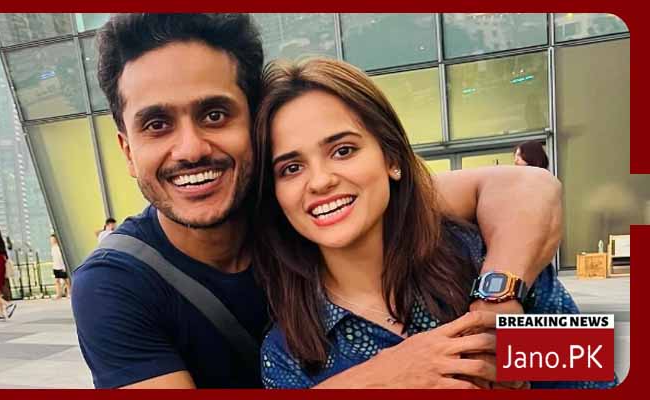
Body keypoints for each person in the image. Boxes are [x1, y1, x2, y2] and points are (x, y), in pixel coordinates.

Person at [72, 13, 563, 389]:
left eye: (215, 114)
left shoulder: (471, 257)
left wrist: (499, 296)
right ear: (127, 150)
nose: (190, 148)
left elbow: (528, 188)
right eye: (157, 124)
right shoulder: (286, 354)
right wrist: (381, 378)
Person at [252, 58, 615, 389]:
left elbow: (593, 377)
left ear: (392, 159)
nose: (320, 181)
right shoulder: (288, 351)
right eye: (291, 168)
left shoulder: (493, 263)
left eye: (343, 150)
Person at [50, 234, 71, 299]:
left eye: (53, 239)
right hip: (56, 266)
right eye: (51, 239)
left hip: (62, 266)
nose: (51, 241)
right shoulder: (53, 248)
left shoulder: (60, 247)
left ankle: (69, 293)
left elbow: (62, 257)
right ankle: (58, 294)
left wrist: (64, 267)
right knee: (57, 280)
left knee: (66, 281)